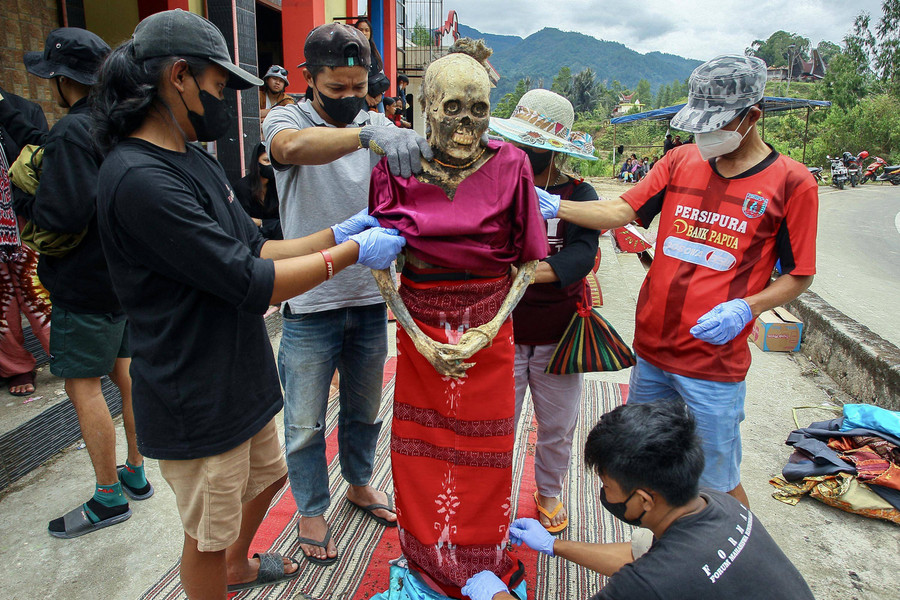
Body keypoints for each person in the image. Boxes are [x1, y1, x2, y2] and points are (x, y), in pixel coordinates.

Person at [92, 10, 405, 599]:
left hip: (237, 368)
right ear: (180, 76)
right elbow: (250, 279)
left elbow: (258, 244)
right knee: (205, 537)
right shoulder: (138, 178)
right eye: (217, 86)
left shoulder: (194, 161)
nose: (223, 101)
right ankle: (219, 571)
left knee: (269, 473)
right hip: (194, 386)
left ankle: (238, 565)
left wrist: (337, 234)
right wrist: (350, 253)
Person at [539, 55, 818, 508]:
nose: (704, 136)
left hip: (713, 363)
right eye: (699, 125)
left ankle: (735, 561)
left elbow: (799, 275)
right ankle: (666, 555)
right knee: (649, 468)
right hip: (652, 351)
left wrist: (747, 307)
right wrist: (557, 206)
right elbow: (621, 211)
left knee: (715, 481)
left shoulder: (791, 183)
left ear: (752, 116)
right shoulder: (680, 161)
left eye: (716, 124)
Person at [369, 39, 549, 598]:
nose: (467, 124)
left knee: (488, 451)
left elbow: (527, 263)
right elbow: (381, 266)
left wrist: (491, 329)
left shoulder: (512, 165)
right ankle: (426, 560)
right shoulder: (395, 168)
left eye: (479, 110)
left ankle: (481, 559)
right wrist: (417, 336)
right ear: (428, 108)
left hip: (487, 331)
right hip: (420, 329)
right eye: (453, 109)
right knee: (417, 450)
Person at [264, 22, 432, 566]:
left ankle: (360, 483)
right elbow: (291, 149)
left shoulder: (375, 121)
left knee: (363, 409)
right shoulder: (285, 118)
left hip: (368, 294)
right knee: (305, 421)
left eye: (358, 87)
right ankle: (312, 507)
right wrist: (365, 135)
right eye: (335, 88)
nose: (349, 99)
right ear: (308, 79)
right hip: (309, 299)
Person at [12, 27, 153, 539]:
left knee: (82, 385)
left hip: (82, 283)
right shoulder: (119, 123)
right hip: (122, 278)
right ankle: (135, 471)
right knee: (126, 373)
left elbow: (64, 215)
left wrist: (25, 196)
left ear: (60, 80)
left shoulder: (72, 132)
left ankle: (108, 496)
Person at [461, 400, 816, 600]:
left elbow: (647, 572)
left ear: (645, 499)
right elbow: (638, 554)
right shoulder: (720, 505)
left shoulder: (648, 586)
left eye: (607, 485)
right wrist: (555, 546)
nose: (606, 495)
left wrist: (495, 596)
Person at [489, 89, 600, 535]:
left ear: (551, 150)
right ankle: (491, 491)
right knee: (498, 421)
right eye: (517, 143)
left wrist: (524, 276)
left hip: (559, 335)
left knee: (556, 425)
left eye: (530, 146)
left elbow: (582, 255)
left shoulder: (579, 194)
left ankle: (548, 492)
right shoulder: (497, 186)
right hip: (504, 331)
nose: (520, 152)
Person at [0, 86, 51, 396]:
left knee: (37, 288)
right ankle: (16, 366)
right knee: (2, 298)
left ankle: (65, 353)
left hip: (22, 215)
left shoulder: (21, 108)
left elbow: (41, 157)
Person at [232, 142, 282, 239]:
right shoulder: (243, 187)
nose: (271, 165)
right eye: (266, 161)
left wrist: (261, 222)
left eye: (273, 161)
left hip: (275, 236)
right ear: (257, 163)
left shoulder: (276, 186)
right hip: (251, 237)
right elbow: (242, 220)